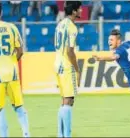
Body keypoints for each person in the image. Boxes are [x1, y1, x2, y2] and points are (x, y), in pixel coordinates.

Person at [0, 2, 30, 137]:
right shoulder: (12, 28)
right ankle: (26, 134)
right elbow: (20, 51)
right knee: (19, 106)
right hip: (12, 73)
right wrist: (11, 62)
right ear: (1, 12)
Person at [54, 1, 82, 137]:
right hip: (66, 65)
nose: (81, 10)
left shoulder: (60, 24)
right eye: (79, 8)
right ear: (74, 11)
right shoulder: (72, 27)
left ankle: (61, 134)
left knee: (64, 99)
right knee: (69, 100)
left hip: (57, 63)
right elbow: (70, 51)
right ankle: (67, 134)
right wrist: (77, 69)